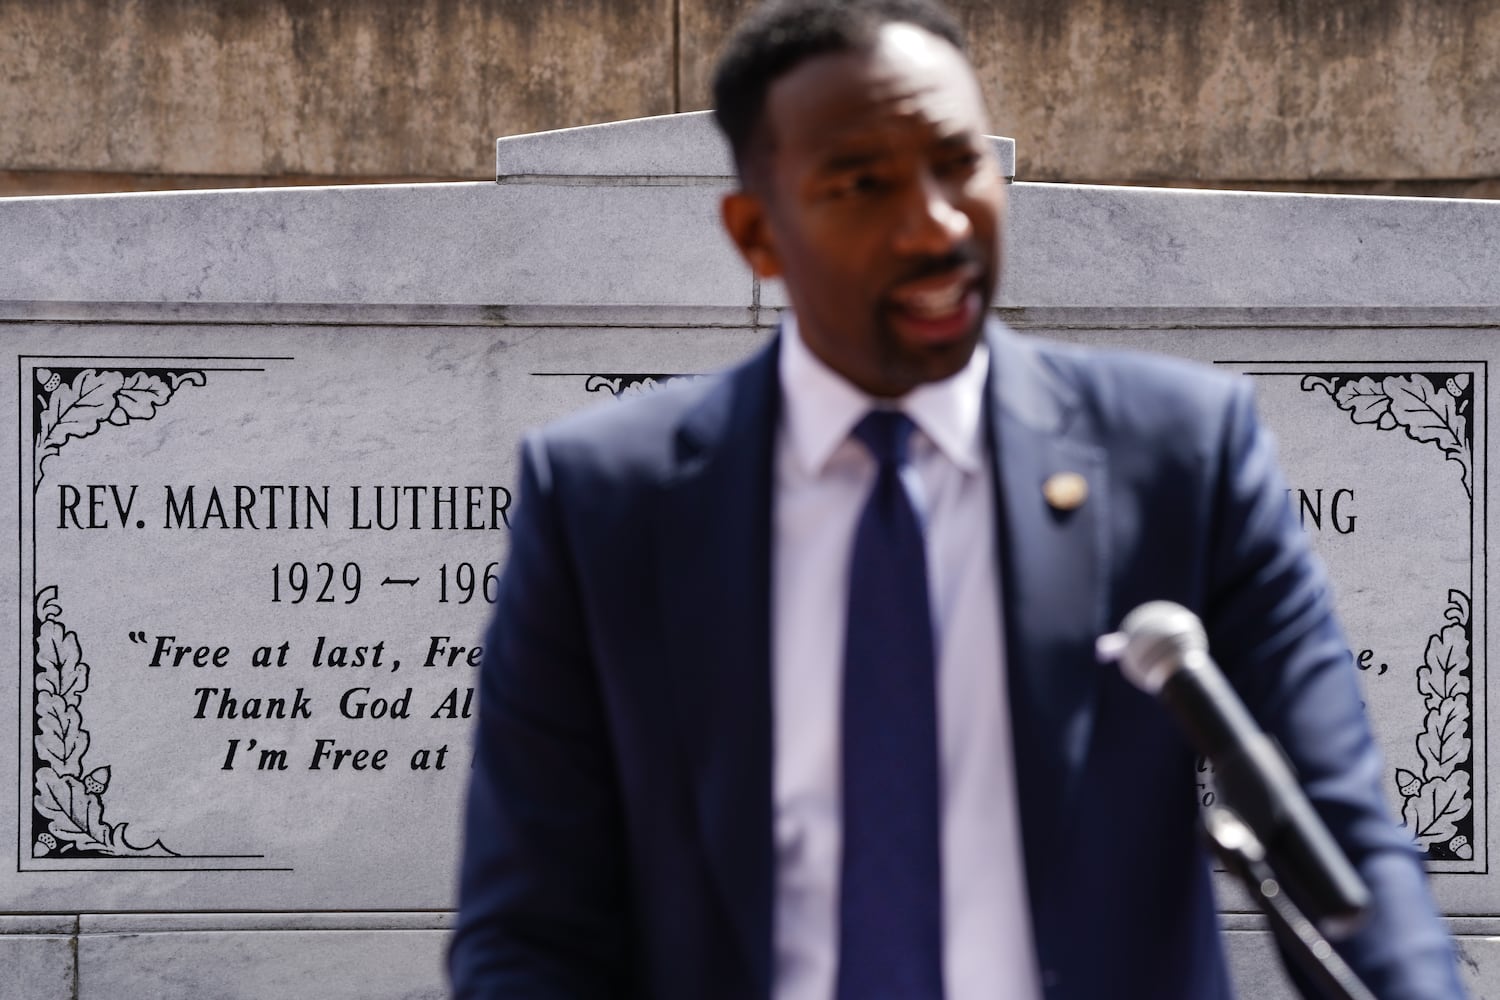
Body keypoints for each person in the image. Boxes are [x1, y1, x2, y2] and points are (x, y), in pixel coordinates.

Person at [449, 0, 1465, 997]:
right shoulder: (604, 500)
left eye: (957, 163)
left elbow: (1342, 847)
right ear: (758, 233)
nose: (936, 223)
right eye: (864, 183)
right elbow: (532, 930)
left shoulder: (1182, 454)